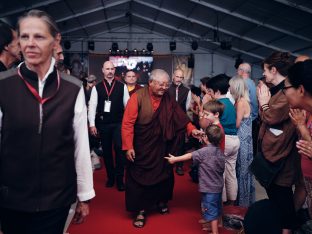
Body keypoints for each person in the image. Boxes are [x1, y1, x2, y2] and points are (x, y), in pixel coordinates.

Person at [0, 9, 95, 234]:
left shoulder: (72, 88)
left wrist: (84, 196)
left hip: (57, 198)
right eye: (24, 36)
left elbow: (80, 146)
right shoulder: (3, 85)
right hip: (11, 198)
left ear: (56, 40)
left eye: (39, 36)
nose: (30, 44)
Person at [122, 69, 202, 228]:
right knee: (140, 178)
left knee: (163, 175)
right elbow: (127, 124)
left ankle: (160, 201)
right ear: (150, 82)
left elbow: (181, 117)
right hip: (142, 146)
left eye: (166, 84)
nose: (164, 87)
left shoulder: (168, 98)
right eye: (160, 84)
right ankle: (141, 210)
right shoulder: (137, 97)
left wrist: (192, 130)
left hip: (162, 145)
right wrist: (128, 146)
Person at [257, 51, 300, 233]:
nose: (264, 75)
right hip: (272, 150)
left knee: (282, 196)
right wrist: (264, 105)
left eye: (265, 70)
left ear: (274, 70)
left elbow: (271, 116)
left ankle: (286, 229)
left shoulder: (286, 92)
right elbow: (265, 116)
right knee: (274, 193)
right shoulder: (276, 90)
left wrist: (264, 103)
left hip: (282, 153)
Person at [165, 124, 225, 234]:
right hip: (218, 185)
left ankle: (215, 231)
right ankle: (212, 224)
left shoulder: (204, 152)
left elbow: (189, 156)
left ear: (206, 137)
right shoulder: (220, 152)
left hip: (208, 187)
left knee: (210, 209)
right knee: (215, 206)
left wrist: (175, 159)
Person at [88, 60, 130, 191]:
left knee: (119, 151)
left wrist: (128, 124)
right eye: (107, 69)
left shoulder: (122, 86)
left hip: (118, 123)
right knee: (106, 152)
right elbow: (92, 107)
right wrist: (92, 124)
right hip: (103, 124)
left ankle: (119, 179)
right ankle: (110, 177)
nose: (110, 71)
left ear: (114, 70)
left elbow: (128, 106)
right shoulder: (97, 87)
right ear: (103, 70)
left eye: (112, 69)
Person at [283, 60, 312, 219]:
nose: (284, 93)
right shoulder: (306, 113)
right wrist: (301, 125)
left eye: (286, 88)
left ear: (300, 89)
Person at [206, 74, 240, 205]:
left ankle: (221, 202)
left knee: (220, 173)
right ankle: (232, 202)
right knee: (231, 172)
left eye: (210, 91)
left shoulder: (218, 104)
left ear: (217, 91)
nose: (209, 93)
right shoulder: (230, 103)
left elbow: (208, 123)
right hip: (235, 140)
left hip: (224, 140)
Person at [229, 76, 255, 207]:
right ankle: (244, 202)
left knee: (242, 172)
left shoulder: (240, 102)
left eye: (231, 86)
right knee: (244, 172)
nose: (229, 88)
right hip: (246, 141)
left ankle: (242, 205)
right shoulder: (243, 101)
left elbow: (237, 124)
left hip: (243, 141)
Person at [168, 68, 192, 175]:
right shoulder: (166, 88)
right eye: (177, 76)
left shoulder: (187, 91)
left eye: (181, 77)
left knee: (181, 144)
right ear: (173, 76)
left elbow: (187, 107)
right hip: (168, 120)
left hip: (181, 121)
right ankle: (168, 163)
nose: (178, 79)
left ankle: (179, 166)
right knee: (168, 142)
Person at [237, 63, 259, 156]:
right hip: (252, 117)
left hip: (246, 119)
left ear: (241, 71)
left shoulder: (243, 83)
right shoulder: (252, 82)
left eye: (237, 70)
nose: (237, 72)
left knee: (243, 148)